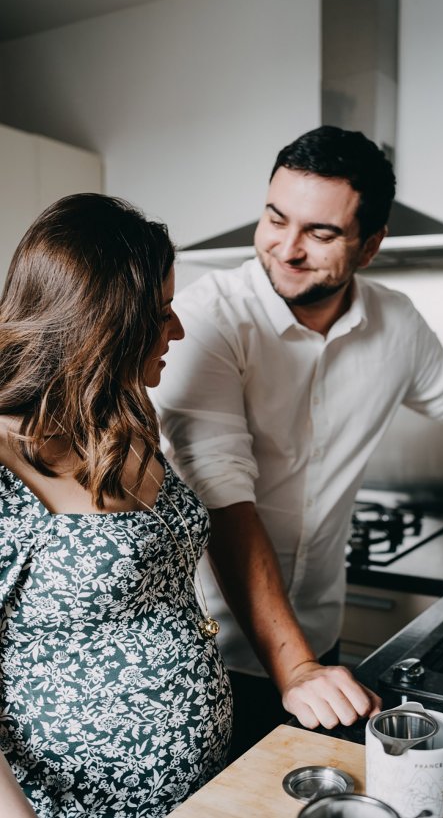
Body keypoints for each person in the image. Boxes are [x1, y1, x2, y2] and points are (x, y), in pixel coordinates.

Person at [153, 125, 443, 757]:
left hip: (319, 636)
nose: (287, 248)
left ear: (369, 247)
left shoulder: (396, 322)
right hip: (214, 650)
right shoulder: (210, 320)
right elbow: (223, 497)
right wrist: (296, 670)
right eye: (275, 218)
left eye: (321, 232)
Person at [0, 194, 232, 817]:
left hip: (199, 791)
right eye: (160, 314)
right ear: (101, 325)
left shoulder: (124, 419)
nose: (177, 330)